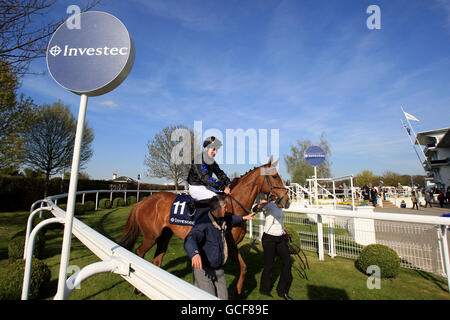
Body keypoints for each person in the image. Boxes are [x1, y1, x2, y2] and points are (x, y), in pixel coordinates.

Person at [184, 195, 255, 299]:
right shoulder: (203, 223)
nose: (227, 210)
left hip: (219, 270)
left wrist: (244, 218)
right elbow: (190, 238)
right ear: (218, 209)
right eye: (225, 207)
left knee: (224, 298)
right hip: (204, 270)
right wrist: (194, 254)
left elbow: (231, 219)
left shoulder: (222, 218)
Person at [253, 194, 293, 300]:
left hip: (280, 238)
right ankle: (264, 290)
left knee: (288, 262)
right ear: (279, 200)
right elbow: (256, 209)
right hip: (269, 238)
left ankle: (282, 291)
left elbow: (280, 221)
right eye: (285, 200)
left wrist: (284, 230)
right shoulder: (270, 205)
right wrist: (260, 204)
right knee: (269, 265)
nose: (286, 203)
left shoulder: (280, 209)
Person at [186, 136, 231, 215]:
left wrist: (228, 183)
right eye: (213, 149)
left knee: (224, 196)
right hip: (196, 187)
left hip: (208, 186)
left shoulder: (212, 161)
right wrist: (223, 187)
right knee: (217, 200)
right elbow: (205, 178)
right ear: (206, 148)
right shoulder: (198, 159)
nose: (215, 152)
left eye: (216, 150)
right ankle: (193, 204)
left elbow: (220, 173)